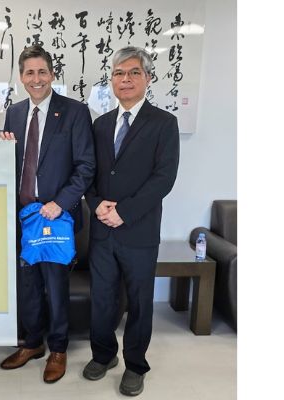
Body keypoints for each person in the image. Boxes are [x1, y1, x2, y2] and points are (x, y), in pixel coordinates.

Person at [81, 46, 180, 396]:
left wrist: (125, 211)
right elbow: (89, 172)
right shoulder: (101, 123)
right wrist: (95, 205)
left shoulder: (165, 123)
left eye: (133, 72)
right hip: (103, 231)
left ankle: (136, 364)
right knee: (103, 298)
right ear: (111, 80)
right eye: (119, 73)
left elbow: (163, 178)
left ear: (147, 78)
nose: (126, 79)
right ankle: (103, 354)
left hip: (139, 230)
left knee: (139, 301)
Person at [0, 45, 95, 384]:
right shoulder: (13, 113)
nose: (35, 79)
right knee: (27, 285)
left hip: (56, 218)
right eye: (29, 73)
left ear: (52, 74)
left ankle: (58, 348)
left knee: (55, 287)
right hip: (24, 218)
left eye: (42, 72)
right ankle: (32, 343)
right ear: (21, 77)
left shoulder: (74, 112)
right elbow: (12, 163)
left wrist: (62, 202)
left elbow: (86, 166)